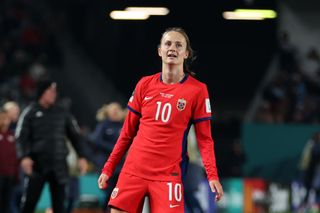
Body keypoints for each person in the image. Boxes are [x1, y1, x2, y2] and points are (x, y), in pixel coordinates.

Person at [98, 27, 224, 213]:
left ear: (186, 53)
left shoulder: (197, 90)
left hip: (168, 175)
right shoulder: (144, 84)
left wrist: (212, 175)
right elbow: (127, 133)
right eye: (168, 43)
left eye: (178, 45)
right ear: (160, 51)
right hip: (134, 170)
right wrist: (108, 168)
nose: (172, 48)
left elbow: (205, 140)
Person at [15, 79, 89, 213]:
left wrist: (82, 156)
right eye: (51, 91)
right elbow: (20, 137)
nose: (54, 94)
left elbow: (75, 137)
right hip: (37, 165)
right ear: (42, 92)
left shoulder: (62, 113)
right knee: (29, 203)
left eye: (55, 91)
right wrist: (24, 157)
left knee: (60, 205)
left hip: (59, 166)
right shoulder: (30, 112)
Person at [89, 102, 125, 211]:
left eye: (117, 108)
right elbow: (95, 140)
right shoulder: (104, 125)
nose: (115, 111)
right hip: (106, 165)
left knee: (119, 193)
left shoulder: (124, 125)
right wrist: (114, 148)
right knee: (109, 193)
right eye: (112, 109)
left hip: (121, 165)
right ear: (107, 112)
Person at [0, 108, 19, 213]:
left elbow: (15, 157)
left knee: (7, 203)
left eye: (7, 119)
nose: (5, 121)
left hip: (10, 175)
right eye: (3, 118)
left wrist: (16, 175)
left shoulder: (12, 135)